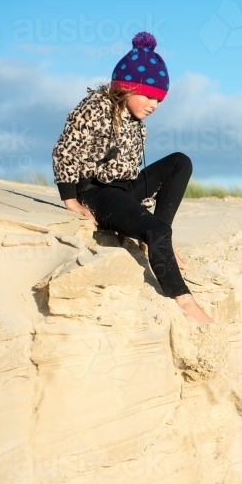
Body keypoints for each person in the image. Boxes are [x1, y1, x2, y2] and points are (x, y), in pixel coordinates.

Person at [52, 31, 212, 323]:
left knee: (180, 162)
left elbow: (128, 170)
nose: (154, 105)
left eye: (159, 99)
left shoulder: (137, 122)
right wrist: (70, 198)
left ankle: (155, 239)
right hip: (97, 192)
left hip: (125, 189)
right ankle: (185, 301)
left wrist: (140, 206)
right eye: (149, 96)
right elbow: (65, 150)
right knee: (158, 232)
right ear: (126, 88)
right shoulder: (96, 108)